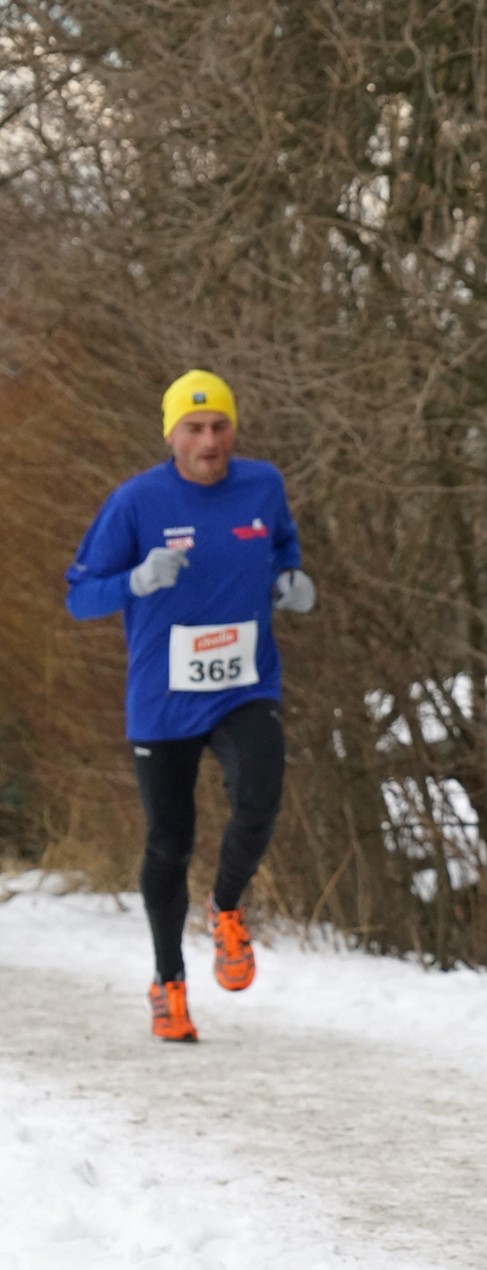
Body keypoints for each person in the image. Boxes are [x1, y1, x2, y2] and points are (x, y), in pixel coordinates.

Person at [64, 370, 316, 1043]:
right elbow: (79, 596)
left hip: (244, 683)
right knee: (169, 842)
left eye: (220, 425)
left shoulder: (261, 485)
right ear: (170, 434)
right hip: (164, 698)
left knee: (260, 795)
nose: (209, 440)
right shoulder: (136, 502)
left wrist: (291, 578)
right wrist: (135, 579)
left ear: (234, 427)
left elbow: (282, 544)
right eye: (195, 428)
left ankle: (227, 909)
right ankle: (169, 984)